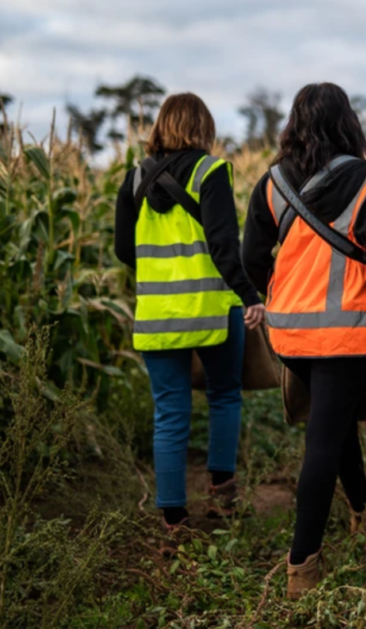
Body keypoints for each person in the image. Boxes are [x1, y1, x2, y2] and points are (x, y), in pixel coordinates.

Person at [241, 82, 366, 599]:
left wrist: (278, 291)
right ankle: (301, 567)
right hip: (344, 333)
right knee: (322, 440)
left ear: (294, 124)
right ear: (347, 121)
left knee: (333, 419)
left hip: (289, 333)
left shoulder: (272, 183)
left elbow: (251, 258)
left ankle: (364, 507)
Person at [114, 93, 265, 547]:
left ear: (161, 125)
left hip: (158, 314)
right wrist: (248, 295)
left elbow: (125, 249)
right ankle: (221, 494)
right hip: (212, 310)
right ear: (203, 128)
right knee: (223, 396)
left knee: (170, 412)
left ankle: (174, 519)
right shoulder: (211, 171)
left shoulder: (134, 178)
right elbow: (223, 244)